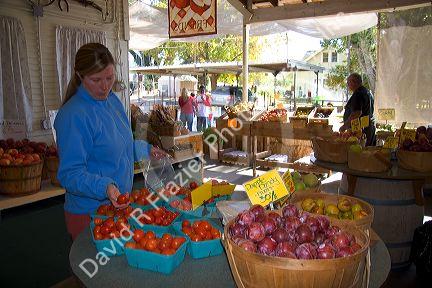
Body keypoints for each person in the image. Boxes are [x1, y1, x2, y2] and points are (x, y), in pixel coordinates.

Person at [54, 43, 164, 240]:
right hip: (89, 215)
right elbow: (70, 174)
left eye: (109, 77)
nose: (105, 86)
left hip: (119, 207)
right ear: (80, 76)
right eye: (96, 79)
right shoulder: (73, 115)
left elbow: (121, 144)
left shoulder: (112, 101)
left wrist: (146, 149)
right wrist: (104, 186)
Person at [339, 73, 376, 146]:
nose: (347, 85)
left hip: (361, 130)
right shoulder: (367, 92)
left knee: (360, 154)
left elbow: (357, 113)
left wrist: (345, 126)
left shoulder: (358, 93)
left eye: (348, 82)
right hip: (368, 128)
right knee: (367, 152)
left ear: (354, 82)